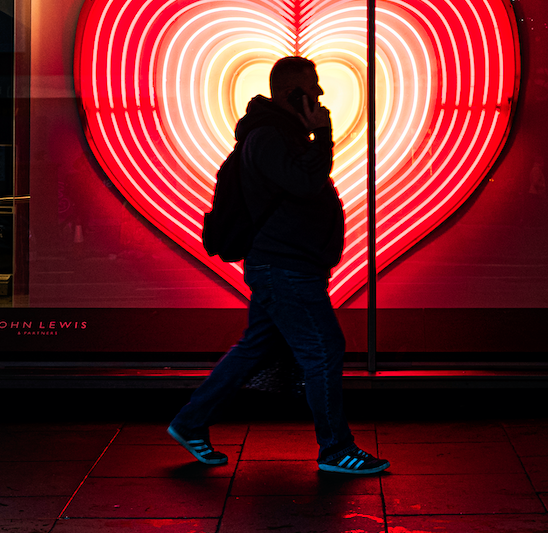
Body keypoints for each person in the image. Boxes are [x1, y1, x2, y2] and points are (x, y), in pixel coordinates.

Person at [167, 56, 389, 476]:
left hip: (286, 265)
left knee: (257, 347)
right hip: (285, 267)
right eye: (313, 87)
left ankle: (190, 421)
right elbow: (304, 183)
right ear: (292, 93)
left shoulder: (280, 133)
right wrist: (323, 135)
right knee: (324, 349)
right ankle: (336, 449)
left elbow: (301, 182)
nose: (320, 94)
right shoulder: (268, 136)